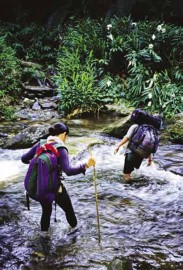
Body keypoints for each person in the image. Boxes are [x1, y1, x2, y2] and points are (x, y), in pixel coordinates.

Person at [21, 122, 96, 232]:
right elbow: (68, 171)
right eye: (67, 136)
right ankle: (75, 234)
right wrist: (86, 165)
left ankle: (44, 238)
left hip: (40, 186)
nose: (67, 139)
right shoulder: (61, 148)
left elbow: (24, 158)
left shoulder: (41, 143)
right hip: (55, 188)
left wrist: (40, 167)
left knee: (46, 212)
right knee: (69, 210)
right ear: (64, 134)